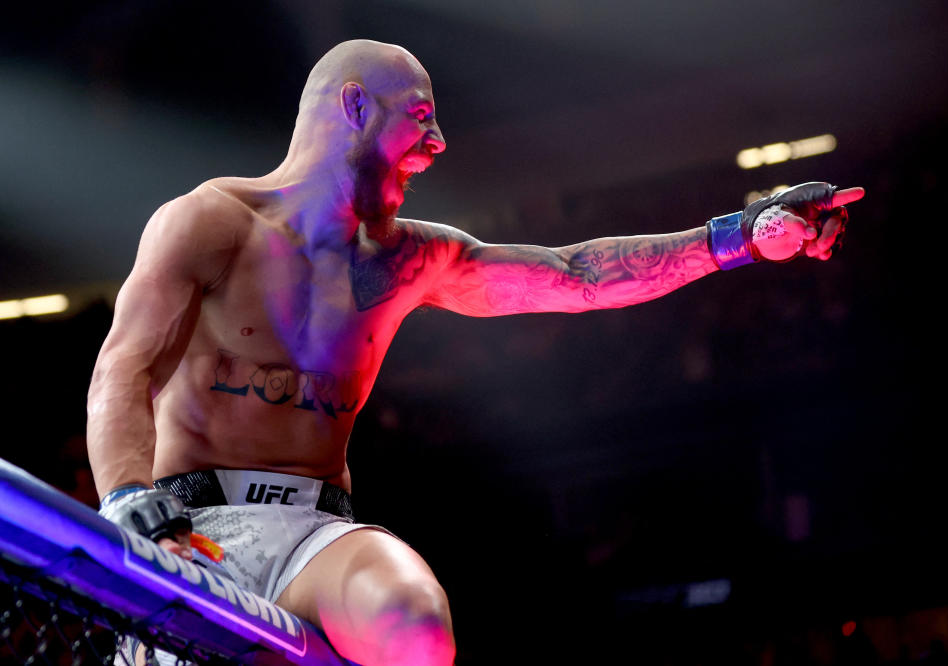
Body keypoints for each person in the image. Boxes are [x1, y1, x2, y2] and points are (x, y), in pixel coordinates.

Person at [87, 39, 863, 666]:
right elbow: (123, 368)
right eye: (419, 116)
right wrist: (127, 504)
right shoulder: (208, 222)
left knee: (413, 622)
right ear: (354, 107)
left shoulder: (408, 260)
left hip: (314, 537)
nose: (438, 142)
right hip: (189, 525)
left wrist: (741, 238)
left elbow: (578, 275)